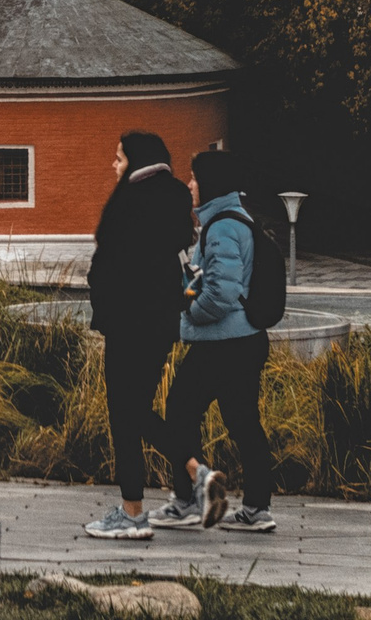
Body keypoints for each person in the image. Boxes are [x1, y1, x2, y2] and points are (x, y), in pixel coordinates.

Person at [153, 148, 277, 534]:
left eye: (194, 178)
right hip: (244, 341)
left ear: (209, 184)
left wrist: (189, 313)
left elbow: (222, 294)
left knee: (178, 414)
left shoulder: (222, 226)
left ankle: (187, 500)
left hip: (223, 344)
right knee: (243, 423)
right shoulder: (235, 218)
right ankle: (257, 507)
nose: (190, 184)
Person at [80, 131, 194, 542]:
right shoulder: (177, 197)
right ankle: (197, 471)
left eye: (118, 157)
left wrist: (102, 303)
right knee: (139, 409)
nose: (113, 165)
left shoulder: (127, 201)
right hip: (163, 325)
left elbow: (105, 262)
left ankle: (132, 514)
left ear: (135, 161)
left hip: (126, 324)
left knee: (123, 417)